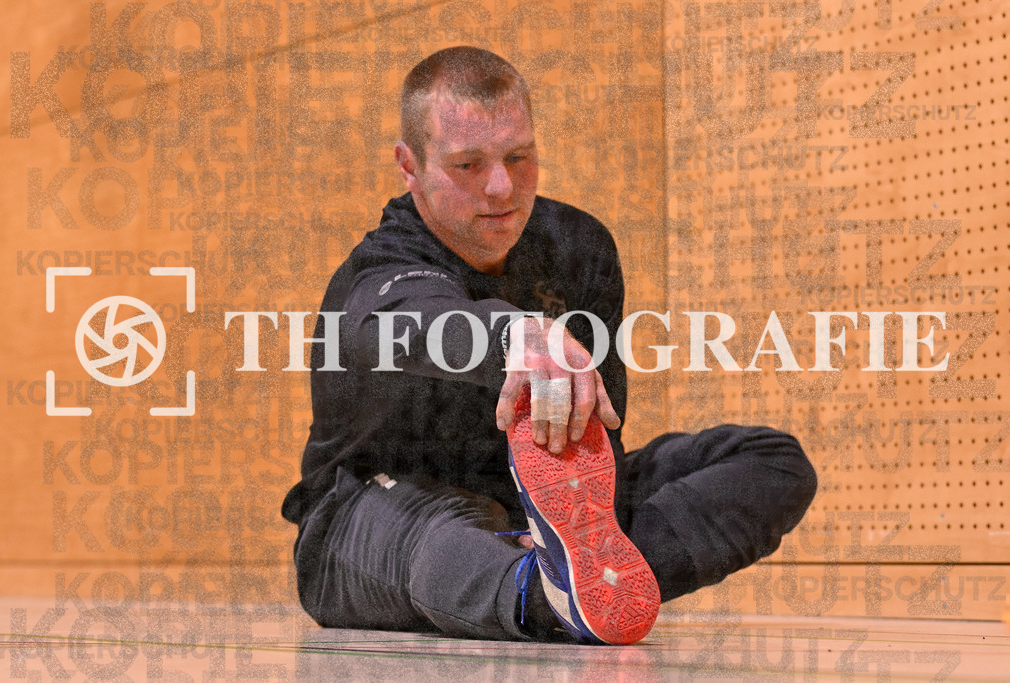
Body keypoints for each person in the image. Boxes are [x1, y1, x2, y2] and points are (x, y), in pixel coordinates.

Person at [281, 46, 817, 643]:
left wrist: (580, 512)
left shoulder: (580, 245)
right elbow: (408, 318)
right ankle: (545, 597)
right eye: (467, 165)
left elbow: (600, 433)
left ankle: (587, 576)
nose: (501, 186)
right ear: (410, 166)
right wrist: (516, 332)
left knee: (772, 462)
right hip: (373, 518)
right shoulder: (380, 271)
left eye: (519, 156)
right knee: (436, 537)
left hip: (546, 512)